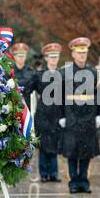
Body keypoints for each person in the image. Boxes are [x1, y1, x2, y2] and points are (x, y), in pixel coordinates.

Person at [59, 37, 100, 194]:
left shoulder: (94, 73)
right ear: (73, 54)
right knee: (72, 152)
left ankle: (84, 182)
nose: (82, 56)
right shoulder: (65, 73)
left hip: (88, 117)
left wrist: (99, 115)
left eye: (84, 53)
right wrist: (61, 116)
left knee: (86, 152)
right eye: (79, 53)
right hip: (71, 117)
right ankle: (73, 182)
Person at [30, 43, 64, 182]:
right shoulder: (39, 75)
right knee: (44, 144)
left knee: (55, 143)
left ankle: (54, 173)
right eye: (51, 57)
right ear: (46, 58)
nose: (54, 59)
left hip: (58, 112)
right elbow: (28, 89)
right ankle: (44, 173)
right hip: (43, 112)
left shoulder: (62, 75)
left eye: (56, 56)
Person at [12, 43, 35, 109]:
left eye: (23, 55)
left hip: (27, 106)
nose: (21, 58)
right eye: (19, 55)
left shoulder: (31, 72)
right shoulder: (9, 71)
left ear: (26, 56)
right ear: (14, 56)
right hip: (13, 105)